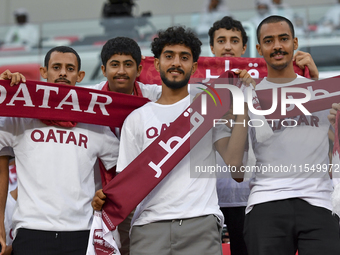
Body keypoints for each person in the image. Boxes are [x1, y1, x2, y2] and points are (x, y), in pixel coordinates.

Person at [116, 26, 248, 255]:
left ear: (194, 67)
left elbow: (237, 170)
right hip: (148, 228)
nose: (176, 63)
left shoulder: (207, 110)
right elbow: (126, 187)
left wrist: (241, 108)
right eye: (169, 56)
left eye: (184, 57)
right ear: (157, 63)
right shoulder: (136, 119)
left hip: (200, 224)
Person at [0, 46, 120, 255]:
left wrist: (105, 195)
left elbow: (124, 168)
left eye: (70, 68)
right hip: (31, 232)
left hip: (82, 232)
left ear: (80, 75)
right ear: (44, 72)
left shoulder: (96, 124)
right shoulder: (20, 118)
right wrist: (4, 91)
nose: (63, 73)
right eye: (56, 67)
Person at [244, 15, 340, 255]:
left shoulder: (324, 92)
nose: (277, 45)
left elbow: (333, 149)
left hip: (318, 201)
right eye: (269, 40)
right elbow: (238, 167)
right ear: (259, 49)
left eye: (283, 39)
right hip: (265, 202)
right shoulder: (249, 96)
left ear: (295, 43)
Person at [91, 36, 161, 255]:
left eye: (128, 64)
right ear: (103, 69)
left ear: (139, 69)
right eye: (114, 64)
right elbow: (52, 97)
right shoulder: (86, 99)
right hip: (101, 201)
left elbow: (192, 95)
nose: (121, 71)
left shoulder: (156, 96)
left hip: (146, 201)